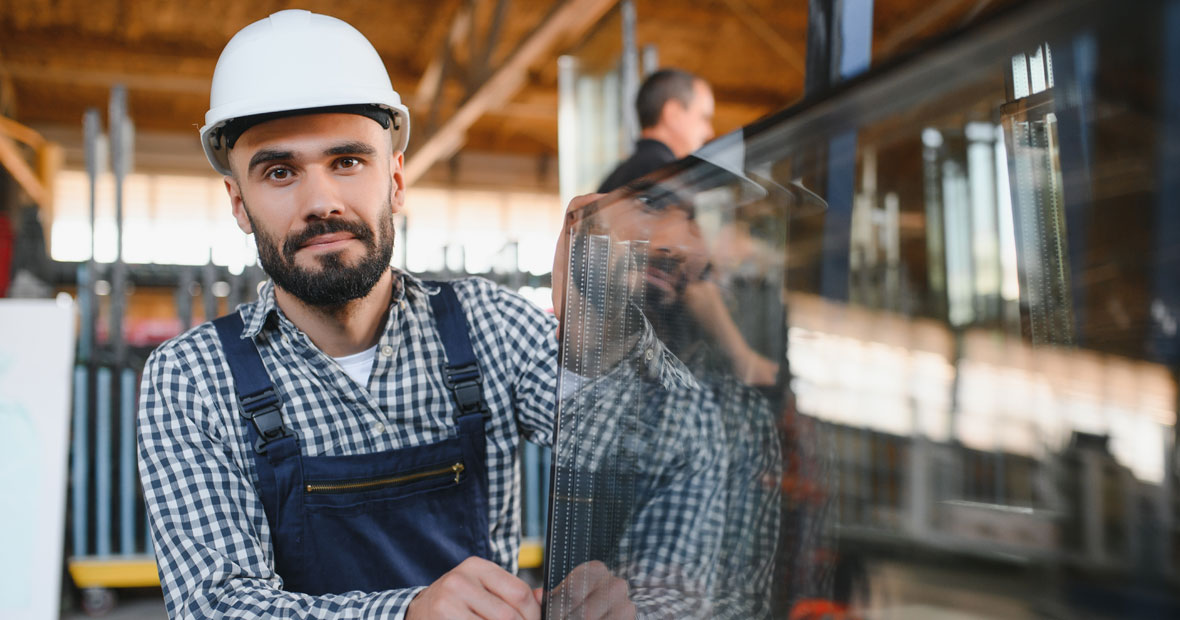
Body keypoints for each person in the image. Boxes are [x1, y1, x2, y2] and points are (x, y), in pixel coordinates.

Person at [137, 10, 630, 619]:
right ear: (239, 202)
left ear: (395, 180)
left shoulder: (492, 327)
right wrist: (408, 614)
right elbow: (216, 606)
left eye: (347, 161)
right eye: (280, 171)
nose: (321, 202)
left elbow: (657, 449)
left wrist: (614, 336)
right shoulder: (192, 378)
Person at [597, 69, 716, 193]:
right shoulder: (668, 177)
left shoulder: (617, 175)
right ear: (673, 114)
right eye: (704, 118)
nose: (709, 133)